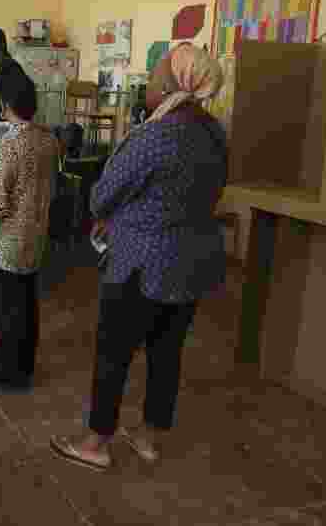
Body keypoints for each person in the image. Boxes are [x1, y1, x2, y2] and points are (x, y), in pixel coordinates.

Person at [49, 43, 227, 471]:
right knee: (167, 354)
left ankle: (96, 442)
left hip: (141, 262)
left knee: (114, 353)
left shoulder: (155, 136)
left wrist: (118, 213)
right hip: (191, 261)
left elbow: (102, 195)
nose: (148, 84)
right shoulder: (215, 133)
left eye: (154, 75)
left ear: (172, 85)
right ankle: (148, 437)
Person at [0, 71, 59, 393]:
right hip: (35, 236)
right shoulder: (48, 139)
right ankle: (23, 367)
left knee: (7, 310)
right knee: (26, 306)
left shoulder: (7, 146)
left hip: (7, 242)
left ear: (5, 104)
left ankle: (5, 372)